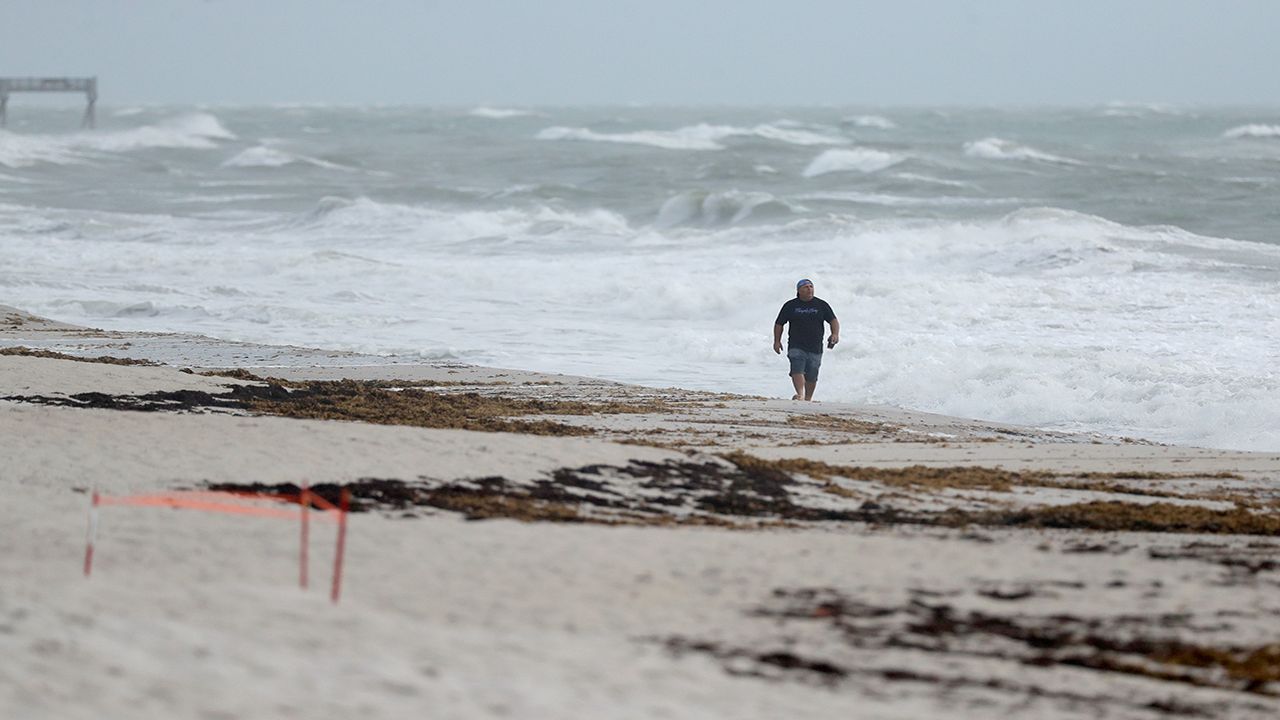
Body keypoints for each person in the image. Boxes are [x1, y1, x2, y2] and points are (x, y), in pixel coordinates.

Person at [773, 278, 839, 401]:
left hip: (815, 346)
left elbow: (833, 320)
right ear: (799, 291)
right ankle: (800, 394)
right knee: (797, 368)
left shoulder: (821, 305)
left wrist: (835, 334)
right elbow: (779, 323)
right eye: (806, 287)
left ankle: (808, 398)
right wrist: (777, 341)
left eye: (811, 286)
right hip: (796, 344)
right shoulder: (790, 305)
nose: (809, 289)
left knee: (812, 374)